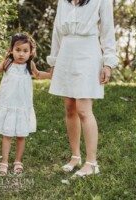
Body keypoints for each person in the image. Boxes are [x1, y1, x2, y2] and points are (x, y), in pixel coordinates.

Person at [47, 0, 118, 178]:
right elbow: (57, 30)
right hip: (66, 53)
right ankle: (75, 157)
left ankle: (91, 163)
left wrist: (108, 63)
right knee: (69, 107)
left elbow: (108, 31)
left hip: (88, 54)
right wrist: (54, 60)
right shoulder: (63, 1)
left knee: (84, 110)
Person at [0, 33, 51, 176]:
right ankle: (4, 162)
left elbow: (38, 74)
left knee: (21, 134)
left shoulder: (29, 65)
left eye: (25, 51)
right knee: (7, 134)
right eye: (18, 50)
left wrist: (51, 75)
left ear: (31, 52)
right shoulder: (7, 64)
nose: (21, 54)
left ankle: (18, 161)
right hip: (8, 104)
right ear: (11, 50)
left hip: (22, 106)